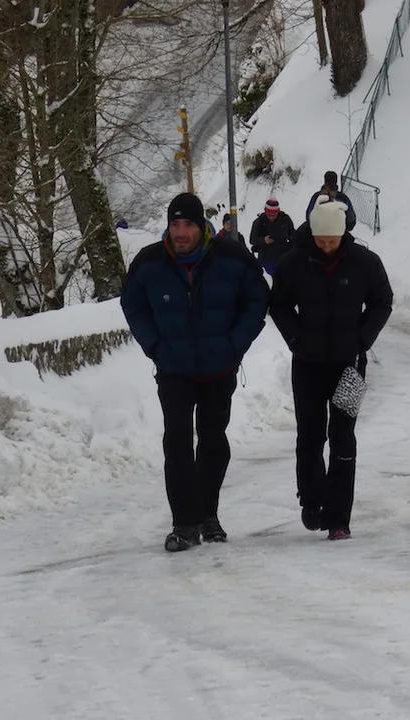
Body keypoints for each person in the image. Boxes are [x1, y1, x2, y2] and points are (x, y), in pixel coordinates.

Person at [121, 192, 269, 552]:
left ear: (201, 226)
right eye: (175, 224)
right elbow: (133, 304)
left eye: (188, 224)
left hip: (219, 367)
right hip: (174, 368)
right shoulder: (149, 263)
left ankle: (208, 514)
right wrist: (155, 346)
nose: (181, 232)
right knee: (177, 441)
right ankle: (184, 523)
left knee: (213, 440)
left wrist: (235, 344)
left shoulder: (232, 258)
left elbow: (257, 299)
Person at [269, 195, 393, 541]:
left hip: (349, 367)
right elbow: (278, 305)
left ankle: (339, 518)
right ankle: (312, 500)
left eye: (332, 241)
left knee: (343, 438)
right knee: (310, 436)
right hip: (306, 365)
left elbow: (382, 301)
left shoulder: (365, 262)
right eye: (321, 241)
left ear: (343, 235)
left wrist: (362, 338)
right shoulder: (294, 262)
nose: (326, 247)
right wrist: (296, 339)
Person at [249, 198, 295, 277]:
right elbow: (252, 240)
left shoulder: (285, 219)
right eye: (269, 215)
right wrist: (264, 240)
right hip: (267, 259)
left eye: (274, 215)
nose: (271, 217)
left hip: (284, 256)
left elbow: (293, 234)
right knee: (278, 277)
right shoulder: (259, 222)